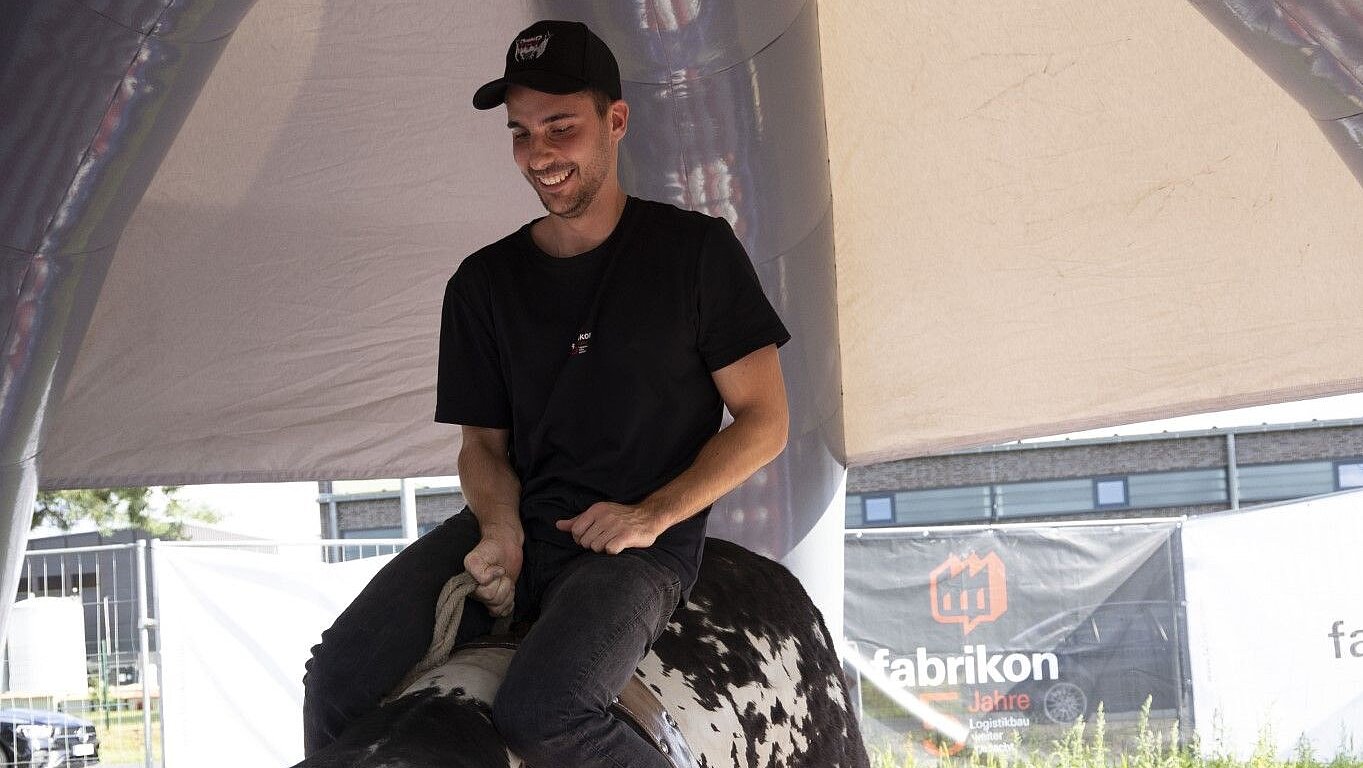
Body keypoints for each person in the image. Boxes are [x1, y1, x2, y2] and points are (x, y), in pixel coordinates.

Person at [302, 19, 790, 767]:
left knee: (548, 714)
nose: (539, 154)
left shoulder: (694, 252)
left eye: (560, 127)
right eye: (521, 133)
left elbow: (763, 421)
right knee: (333, 680)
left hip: (637, 547)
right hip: (518, 520)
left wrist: (649, 516)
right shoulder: (483, 283)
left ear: (614, 122)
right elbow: (482, 446)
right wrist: (498, 527)